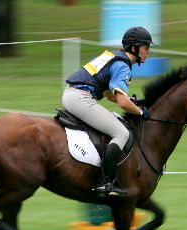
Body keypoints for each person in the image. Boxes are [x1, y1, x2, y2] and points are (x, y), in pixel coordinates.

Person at [62, 26, 153, 198]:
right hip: (81, 99)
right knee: (121, 134)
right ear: (134, 47)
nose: (148, 52)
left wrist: (134, 102)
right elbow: (121, 102)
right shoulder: (123, 66)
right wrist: (140, 112)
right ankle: (104, 182)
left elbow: (109, 95)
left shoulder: (112, 56)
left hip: (71, 94)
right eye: (146, 48)